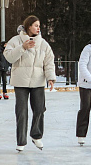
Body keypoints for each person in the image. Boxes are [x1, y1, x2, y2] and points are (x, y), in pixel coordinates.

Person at [4, 15, 56, 152]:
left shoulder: (43, 44)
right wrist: (22, 47)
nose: (38, 28)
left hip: (38, 81)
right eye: (36, 25)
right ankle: (21, 141)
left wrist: (50, 78)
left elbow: (49, 62)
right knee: (21, 111)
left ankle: (36, 135)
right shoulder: (15, 40)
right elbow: (8, 57)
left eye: (39, 26)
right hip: (21, 81)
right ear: (28, 27)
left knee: (39, 109)